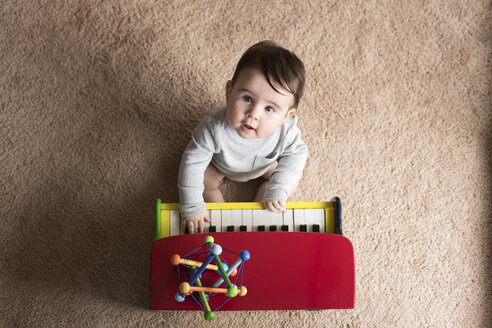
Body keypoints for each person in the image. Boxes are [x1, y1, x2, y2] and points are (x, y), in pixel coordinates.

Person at [178, 40, 308, 233]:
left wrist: (279, 188)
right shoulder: (213, 126)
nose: (253, 114)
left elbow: (297, 154)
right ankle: (221, 221)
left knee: (284, 183)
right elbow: (192, 161)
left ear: (285, 116)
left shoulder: (286, 131)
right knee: (204, 181)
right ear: (229, 92)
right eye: (247, 99)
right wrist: (192, 206)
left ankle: (256, 218)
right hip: (221, 164)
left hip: (265, 166)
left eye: (269, 108)